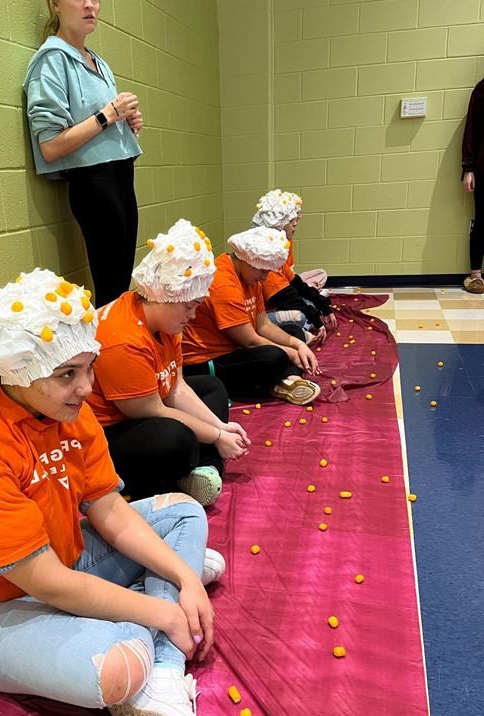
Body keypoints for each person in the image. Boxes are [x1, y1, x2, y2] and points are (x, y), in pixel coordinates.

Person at [0, 268, 224, 716]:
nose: (86, 388)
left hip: (63, 559)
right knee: (121, 665)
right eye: (67, 375)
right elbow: (48, 584)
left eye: (88, 367)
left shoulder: (65, 412)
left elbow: (112, 512)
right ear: (16, 370)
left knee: (184, 513)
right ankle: (156, 643)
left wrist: (185, 578)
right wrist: (169, 613)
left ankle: (162, 664)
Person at [89, 219, 250, 507]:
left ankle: (205, 468)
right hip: (111, 430)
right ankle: (188, 469)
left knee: (212, 387)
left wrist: (219, 428)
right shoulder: (123, 338)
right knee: (175, 441)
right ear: (165, 296)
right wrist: (214, 435)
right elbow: (151, 410)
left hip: (149, 407)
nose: (193, 314)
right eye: (189, 306)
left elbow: (177, 387)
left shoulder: (167, 321)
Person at [24, 0, 143, 307]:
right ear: (55, 4)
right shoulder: (51, 60)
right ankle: (110, 351)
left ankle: (120, 348)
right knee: (111, 289)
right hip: (94, 182)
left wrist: (126, 125)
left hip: (121, 175)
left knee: (120, 283)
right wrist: (107, 116)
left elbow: (103, 124)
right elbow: (50, 146)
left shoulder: (98, 63)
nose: (91, 5)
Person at [181, 226, 321, 404]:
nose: (264, 278)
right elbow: (249, 340)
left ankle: (287, 381)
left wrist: (298, 344)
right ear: (246, 260)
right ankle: (280, 381)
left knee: (294, 332)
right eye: (263, 271)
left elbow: (263, 325)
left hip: (235, 347)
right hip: (208, 361)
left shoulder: (249, 276)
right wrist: (292, 353)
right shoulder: (223, 284)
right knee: (276, 357)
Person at [252, 190, 336, 345]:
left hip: (280, 294)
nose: (297, 221)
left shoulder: (281, 245)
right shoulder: (265, 257)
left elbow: (292, 280)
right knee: (300, 315)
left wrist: (321, 305)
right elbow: (285, 295)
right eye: (292, 219)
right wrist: (316, 318)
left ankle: (310, 308)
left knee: (317, 280)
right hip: (266, 309)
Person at [462, 78, 484, 293]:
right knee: (482, 221)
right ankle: (476, 275)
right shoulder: (482, 89)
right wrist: (468, 168)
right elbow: (472, 130)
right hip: (482, 168)